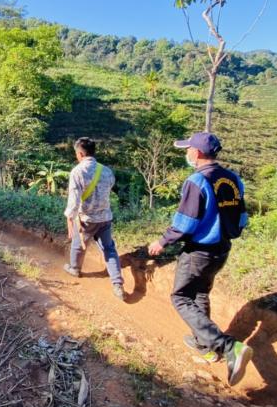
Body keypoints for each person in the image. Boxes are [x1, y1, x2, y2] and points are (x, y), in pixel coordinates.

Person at [147, 132, 253, 386]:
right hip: (222, 249)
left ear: (197, 153)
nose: (187, 153)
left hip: (199, 251)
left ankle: (229, 347)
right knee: (200, 294)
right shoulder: (233, 179)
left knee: (181, 297)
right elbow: (242, 219)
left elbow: (186, 223)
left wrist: (162, 242)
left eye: (188, 150)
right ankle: (204, 345)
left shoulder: (197, 181)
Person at [63, 137, 125, 301]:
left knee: (78, 245)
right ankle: (117, 283)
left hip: (87, 219)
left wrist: (70, 219)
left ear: (80, 154)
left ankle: (75, 268)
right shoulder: (106, 171)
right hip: (105, 217)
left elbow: (74, 200)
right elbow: (109, 188)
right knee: (109, 249)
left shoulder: (78, 171)